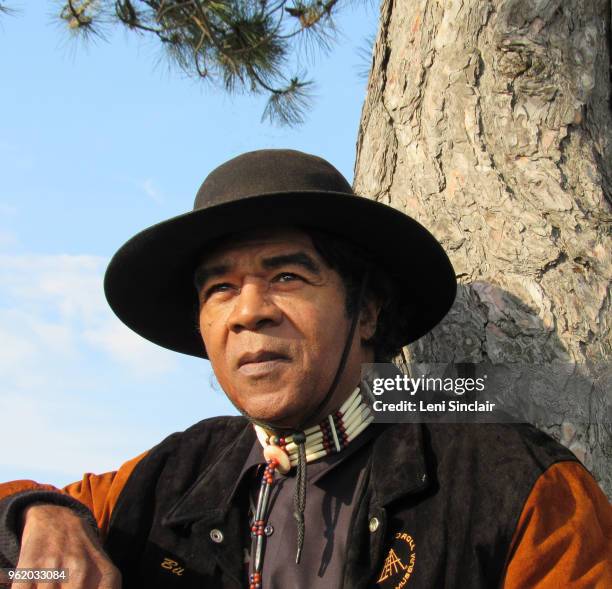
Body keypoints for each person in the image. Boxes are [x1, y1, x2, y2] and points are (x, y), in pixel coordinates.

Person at [0, 150, 610, 589]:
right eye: (219, 289)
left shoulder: (509, 481)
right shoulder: (165, 478)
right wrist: (39, 514)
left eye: (287, 276)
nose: (249, 312)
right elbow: (35, 562)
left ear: (366, 309)